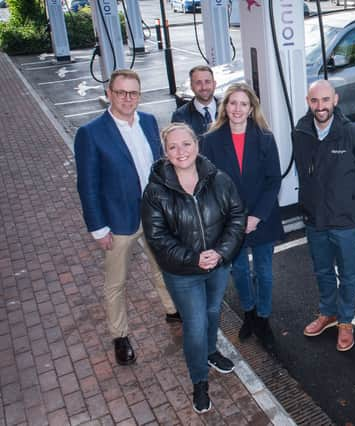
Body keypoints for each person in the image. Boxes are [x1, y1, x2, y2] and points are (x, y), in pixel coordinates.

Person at [74, 69, 181, 367]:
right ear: (109, 93)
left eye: (133, 93)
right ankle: (120, 335)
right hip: (118, 222)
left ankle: (172, 309)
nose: (127, 98)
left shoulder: (148, 121)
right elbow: (87, 185)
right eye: (121, 92)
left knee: (162, 266)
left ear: (139, 95)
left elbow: (160, 167)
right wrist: (98, 227)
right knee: (116, 282)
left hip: (153, 214)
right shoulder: (91, 133)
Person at [141, 123, 246, 414]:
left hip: (217, 265)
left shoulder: (219, 179)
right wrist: (193, 258)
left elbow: (237, 217)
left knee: (213, 312)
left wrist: (221, 253)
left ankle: (211, 352)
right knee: (196, 324)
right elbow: (157, 238)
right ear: (165, 152)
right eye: (172, 147)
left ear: (196, 145)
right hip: (182, 272)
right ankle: (199, 381)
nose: (181, 151)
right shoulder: (155, 192)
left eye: (186, 144)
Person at [291, 80, 355, 352]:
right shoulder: (301, 132)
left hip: (345, 221)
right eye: (315, 101)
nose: (321, 107)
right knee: (322, 270)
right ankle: (327, 313)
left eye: (326, 100)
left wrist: (350, 200)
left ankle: (345, 322)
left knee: (349, 274)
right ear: (308, 101)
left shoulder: (352, 134)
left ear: (335, 100)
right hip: (315, 219)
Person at [201, 83, 284, 349]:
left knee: (264, 272)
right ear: (225, 107)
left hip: (263, 216)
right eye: (232, 103)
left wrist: (257, 216)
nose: (237, 109)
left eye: (243, 104)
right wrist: (233, 219)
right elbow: (208, 184)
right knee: (239, 270)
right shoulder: (211, 140)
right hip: (229, 221)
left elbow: (273, 181)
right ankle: (248, 312)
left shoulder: (265, 138)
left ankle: (263, 317)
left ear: (251, 109)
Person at [171, 65, 218, 138]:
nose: (204, 87)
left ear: (214, 84)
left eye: (207, 82)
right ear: (191, 86)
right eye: (198, 83)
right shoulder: (180, 116)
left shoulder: (228, 109)